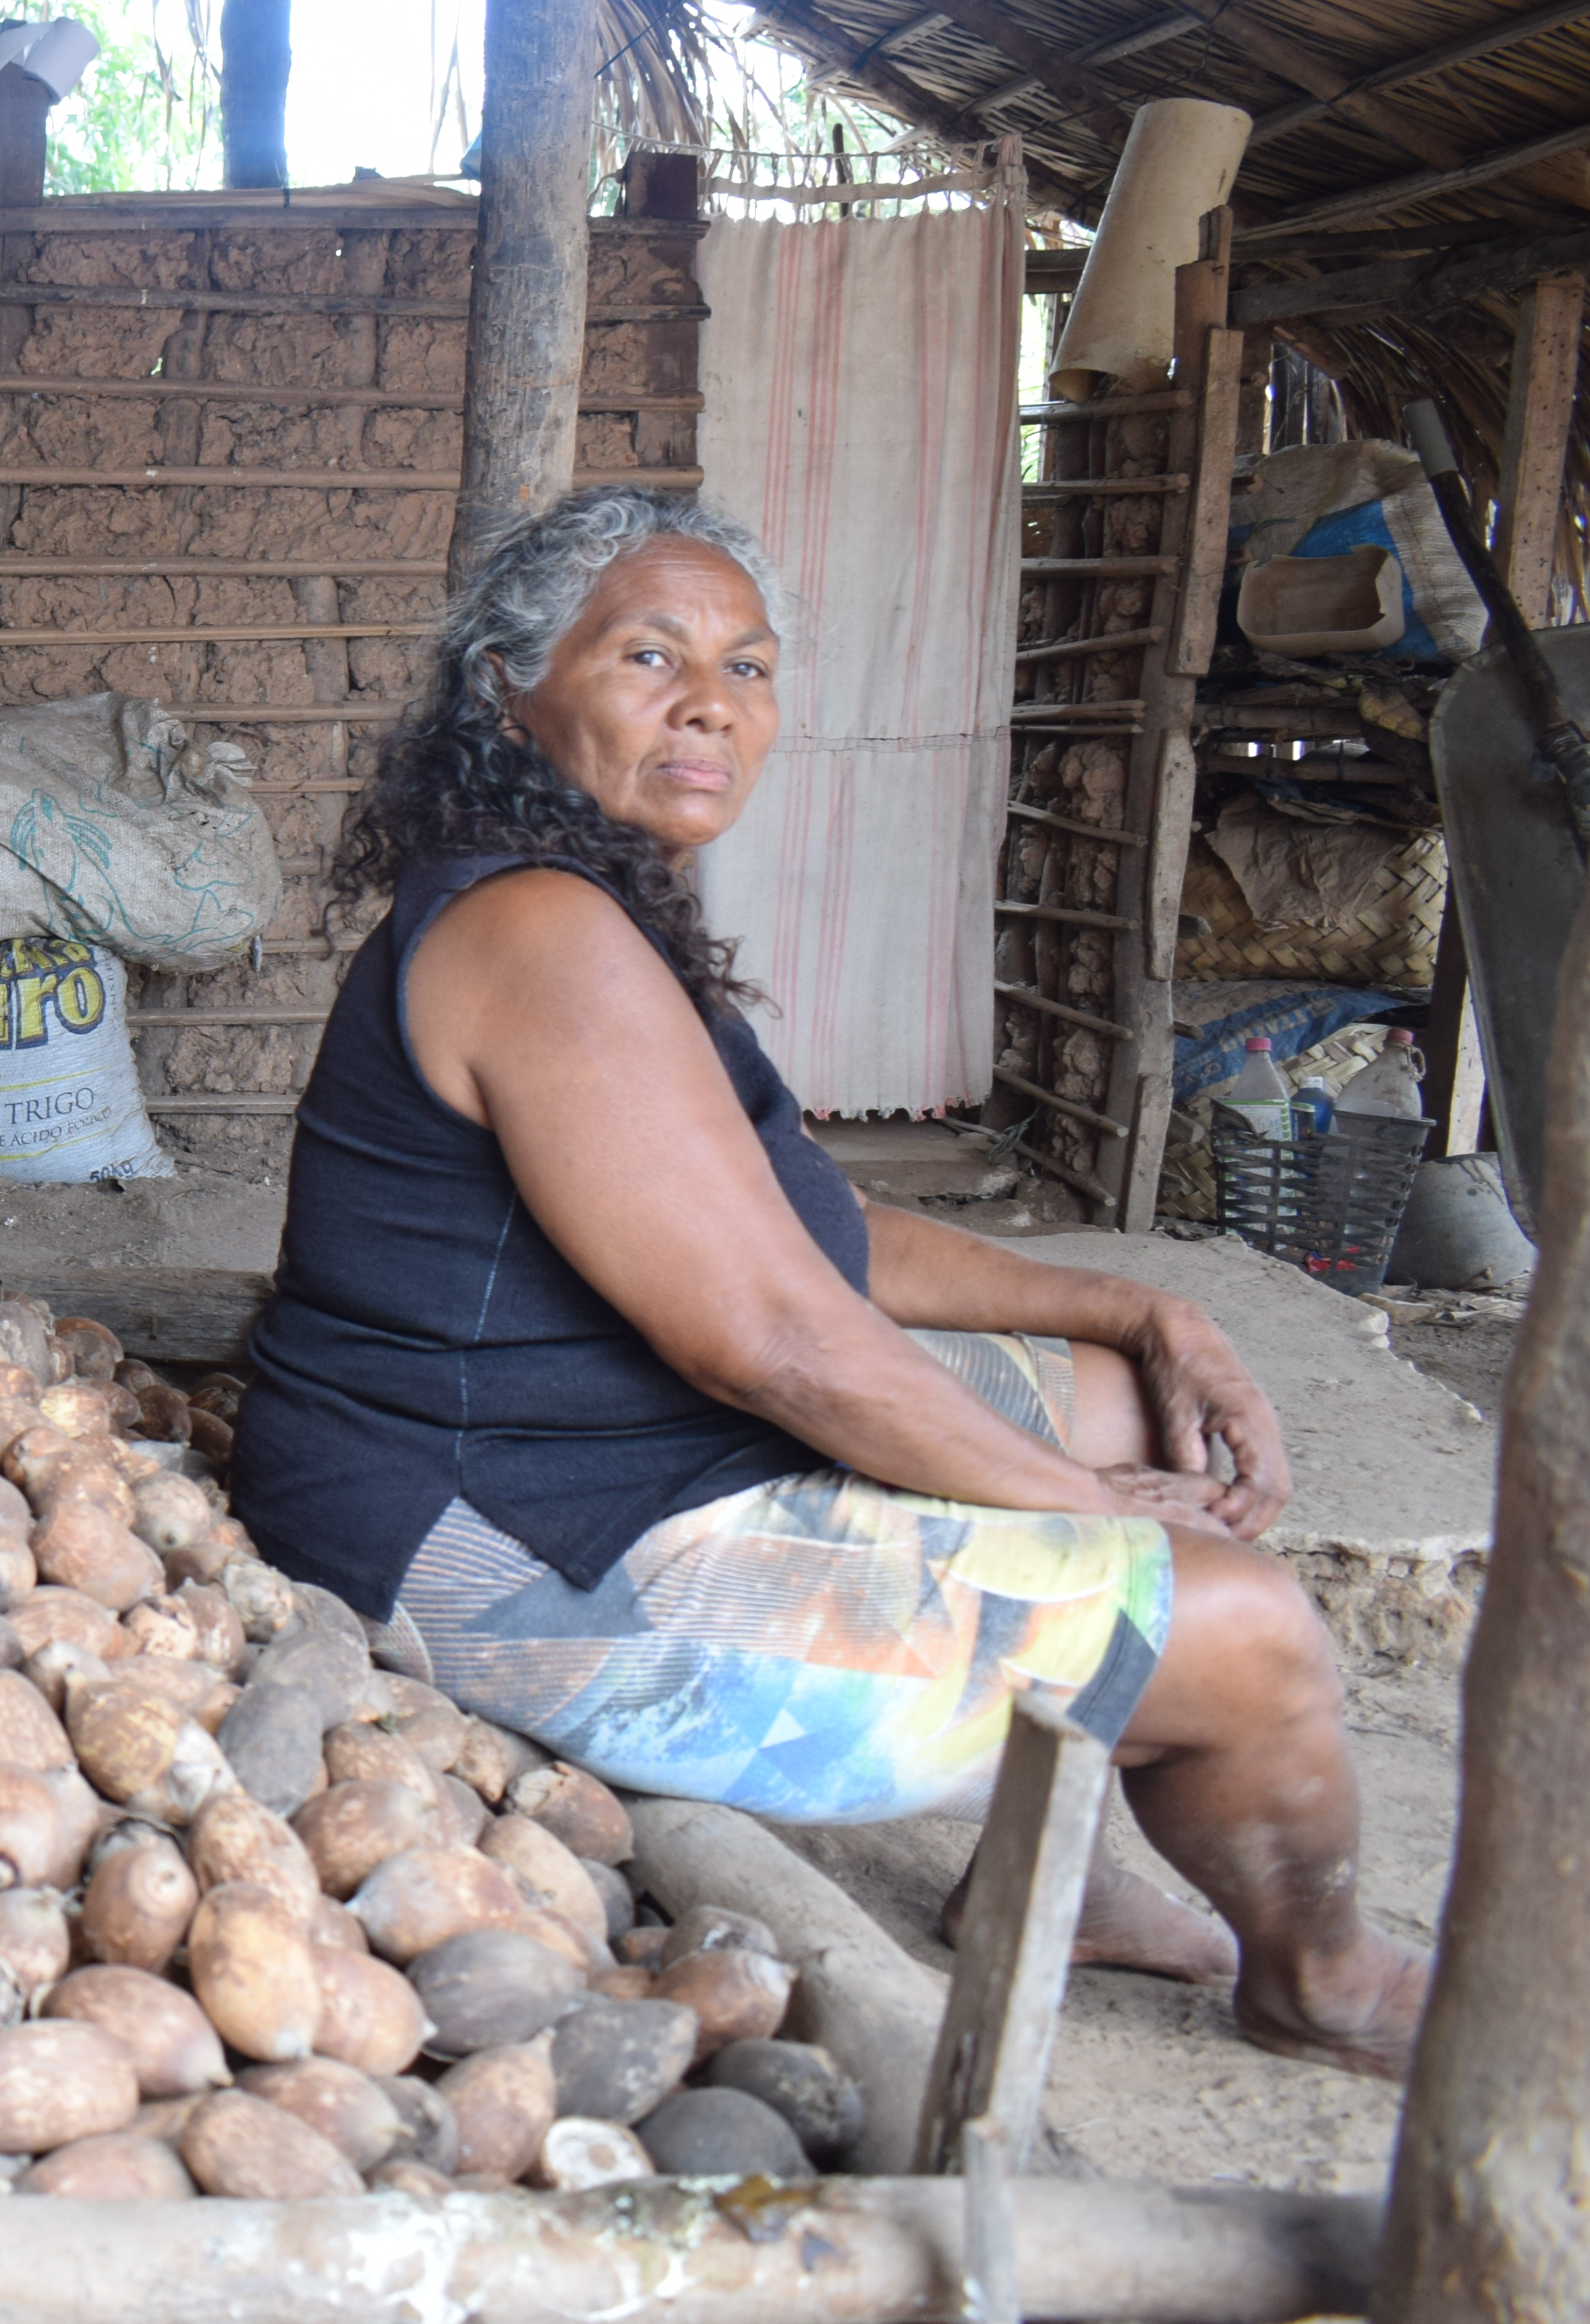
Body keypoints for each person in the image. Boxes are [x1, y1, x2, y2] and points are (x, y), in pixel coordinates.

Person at [237, 486, 1430, 2079]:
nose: (711, 704)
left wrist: (1135, 1311)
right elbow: (779, 1338)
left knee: (1120, 1405)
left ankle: (1049, 1869)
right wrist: (1087, 1518)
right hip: (505, 1546)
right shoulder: (541, 932)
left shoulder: (585, 896)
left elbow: (802, 1229)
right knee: (1248, 1628)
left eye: (748, 665)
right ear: (507, 686)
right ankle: (1321, 1975)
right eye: (648, 655)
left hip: (587, 1448)